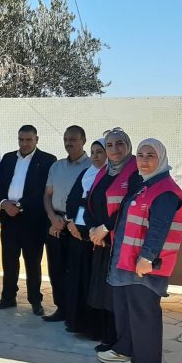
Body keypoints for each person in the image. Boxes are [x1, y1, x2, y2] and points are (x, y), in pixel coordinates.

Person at [97, 139, 182, 363]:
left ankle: (146, 361)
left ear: (161, 158)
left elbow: (159, 227)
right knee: (126, 308)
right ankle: (125, 348)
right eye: (140, 155)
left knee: (143, 310)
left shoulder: (165, 190)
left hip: (145, 264)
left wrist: (147, 257)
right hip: (129, 260)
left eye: (150, 156)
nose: (144, 161)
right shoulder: (144, 184)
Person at [0, 125, 57, 315]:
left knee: (33, 261)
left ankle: (35, 300)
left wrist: (20, 205)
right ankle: (8, 297)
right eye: (21, 139)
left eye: (29, 139)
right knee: (9, 260)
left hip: (33, 220)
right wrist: (4, 203)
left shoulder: (47, 160)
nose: (25, 143)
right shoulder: (8, 158)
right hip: (9, 218)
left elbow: (43, 191)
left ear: (36, 139)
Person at [84, 128, 138, 352]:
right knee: (103, 292)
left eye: (119, 144)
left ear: (128, 146)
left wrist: (104, 228)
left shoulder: (136, 172)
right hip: (102, 242)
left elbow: (129, 205)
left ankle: (121, 342)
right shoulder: (104, 172)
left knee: (118, 293)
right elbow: (90, 201)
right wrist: (92, 229)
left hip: (121, 242)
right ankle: (107, 337)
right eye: (109, 145)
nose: (115, 149)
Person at [42, 126, 90, 323]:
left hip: (78, 226)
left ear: (83, 140)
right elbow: (47, 195)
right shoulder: (57, 166)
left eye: (73, 139)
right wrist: (52, 218)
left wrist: (71, 222)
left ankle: (76, 313)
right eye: (66, 139)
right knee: (56, 268)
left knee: (77, 271)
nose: (69, 143)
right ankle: (61, 309)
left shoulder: (92, 166)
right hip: (56, 224)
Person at [64, 139, 107, 334]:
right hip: (76, 233)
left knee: (92, 281)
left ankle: (93, 327)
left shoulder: (109, 176)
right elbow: (72, 199)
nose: (96, 156)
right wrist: (70, 222)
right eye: (93, 152)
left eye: (100, 152)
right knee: (76, 279)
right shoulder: (86, 173)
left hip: (96, 236)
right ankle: (75, 322)